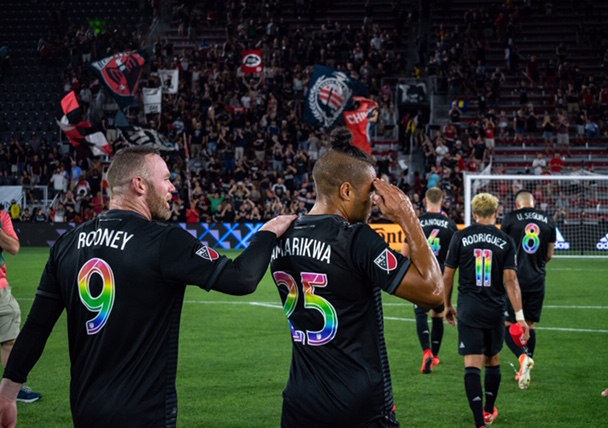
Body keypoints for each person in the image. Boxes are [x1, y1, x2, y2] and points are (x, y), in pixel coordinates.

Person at [0, 146, 296, 428]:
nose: (173, 188)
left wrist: (7, 394)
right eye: (166, 178)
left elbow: (37, 327)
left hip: (85, 410)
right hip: (144, 413)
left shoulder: (66, 244)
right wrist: (266, 233)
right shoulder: (164, 241)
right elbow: (241, 278)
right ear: (139, 185)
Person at [270, 128, 443, 428]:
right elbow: (433, 291)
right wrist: (407, 216)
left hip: (299, 403)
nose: (373, 204)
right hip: (357, 407)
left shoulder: (282, 236)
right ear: (346, 191)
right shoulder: (354, 238)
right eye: (369, 194)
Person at [443, 193, 529, 428]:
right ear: (496, 213)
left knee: (472, 364)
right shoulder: (505, 240)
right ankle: (489, 411)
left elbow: (448, 276)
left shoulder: (460, 236)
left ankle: (479, 422)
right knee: (492, 360)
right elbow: (511, 280)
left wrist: (447, 305)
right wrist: (520, 318)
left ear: (474, 214)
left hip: (469, 309)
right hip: (495, 309)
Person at [500, 190, 556, 390]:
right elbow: (550, 254)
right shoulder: (548, 220)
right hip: (537, 279)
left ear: (517, 204)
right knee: (529, 325)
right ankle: (528, 361)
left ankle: (523, 358)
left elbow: (502, 248)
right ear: (533, 203)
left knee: (508, 323)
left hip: (513, 278)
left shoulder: (510, 218)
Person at [401, 187, 457, 374]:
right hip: (440, 277)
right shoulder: (450, 225)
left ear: (425, 200)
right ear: (442, 201)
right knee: (438, 315)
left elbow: (404, 254)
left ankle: (426, 352)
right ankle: (436, 355)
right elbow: (453, 259)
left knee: (420, 314)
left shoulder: (416, 222)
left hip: (421, 276)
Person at [0, 206, 41, 404]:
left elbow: (14, 248)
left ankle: (12, 389)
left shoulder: (2, 217)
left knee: (9, 335)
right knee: (9, 337)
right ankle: (12, 390)